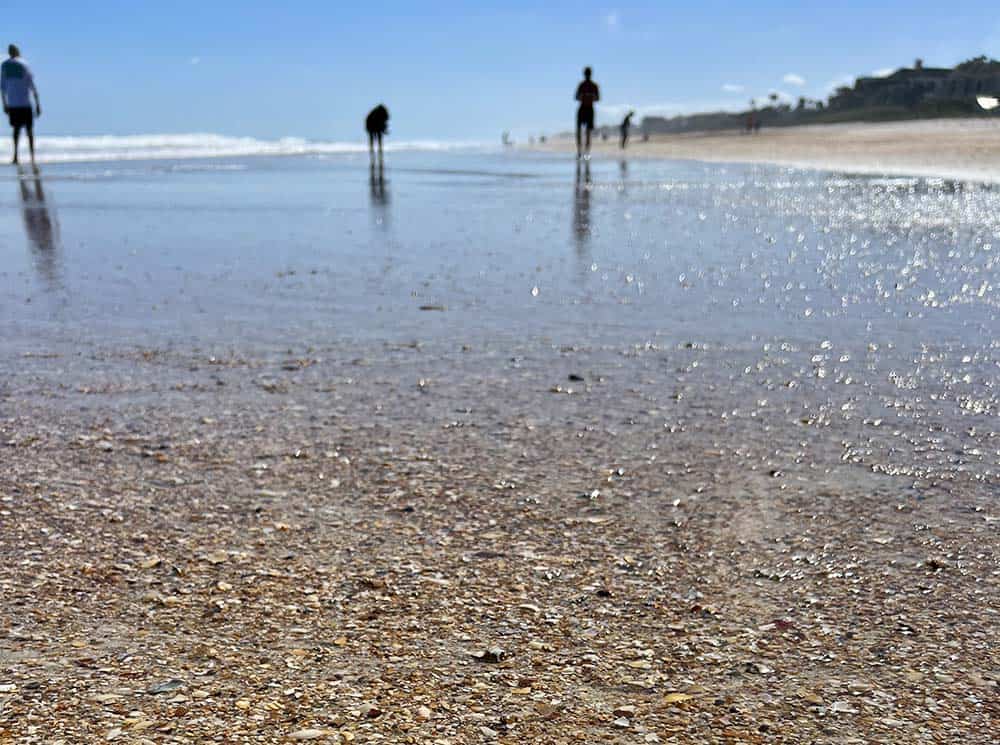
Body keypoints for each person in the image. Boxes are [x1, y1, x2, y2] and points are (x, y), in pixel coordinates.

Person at [1, 44, 41, 165]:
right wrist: (38, 102)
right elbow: (32, 85)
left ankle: (15, 156)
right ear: (17, 51)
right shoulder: (23, 63)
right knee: (29, 130)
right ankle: (32, 156)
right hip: (25, 103)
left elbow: (2, 88)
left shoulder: (5, 65)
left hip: (13, 103)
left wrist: (4, 104)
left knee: (16, 130)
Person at [575, 67, 600, 158]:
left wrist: (591, 96)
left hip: (589, 109)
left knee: (588, 132)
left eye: (588, 73)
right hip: (582, 108)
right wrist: (583, 96)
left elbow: (598, 98)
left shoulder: (594, 85)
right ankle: (579, 151)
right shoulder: (581, 85)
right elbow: (576, 97)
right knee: (579, 131)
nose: (587, 75)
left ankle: (587, 153)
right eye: (586, 73)